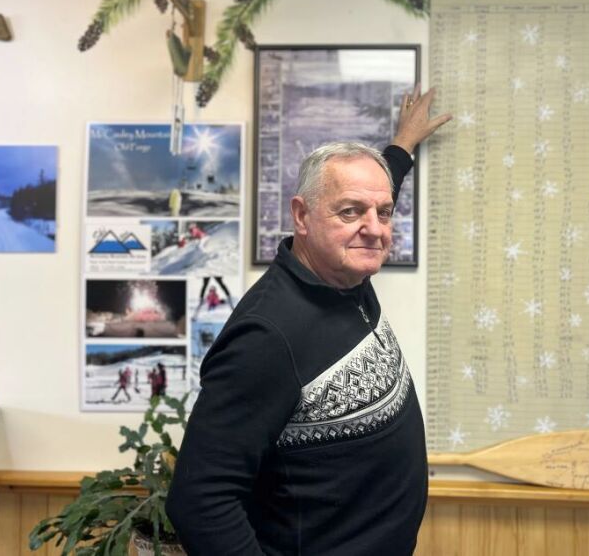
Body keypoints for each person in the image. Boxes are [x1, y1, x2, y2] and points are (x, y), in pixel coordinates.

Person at [166, 86, 451, 556]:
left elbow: (366, 197)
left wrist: (402, 145)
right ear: (302, 216)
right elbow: (200, 500)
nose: (375, 228)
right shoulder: (268, 335)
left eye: (384, 213)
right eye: (351, 212)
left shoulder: (343, 274)